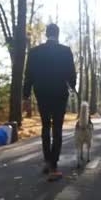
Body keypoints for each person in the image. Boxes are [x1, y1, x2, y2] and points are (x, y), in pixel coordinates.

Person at [23, 23, 77, 181]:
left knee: (46, 125)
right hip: (59, 94)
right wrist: (72, 86)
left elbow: (28, 76)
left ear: (46, 34)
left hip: (42, 93)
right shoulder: (65, 51)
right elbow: (71, 75)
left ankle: (47, 161)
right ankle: (54, 164)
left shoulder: (34, 52)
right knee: (57, 127)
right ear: (58, 34)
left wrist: (25, 96)